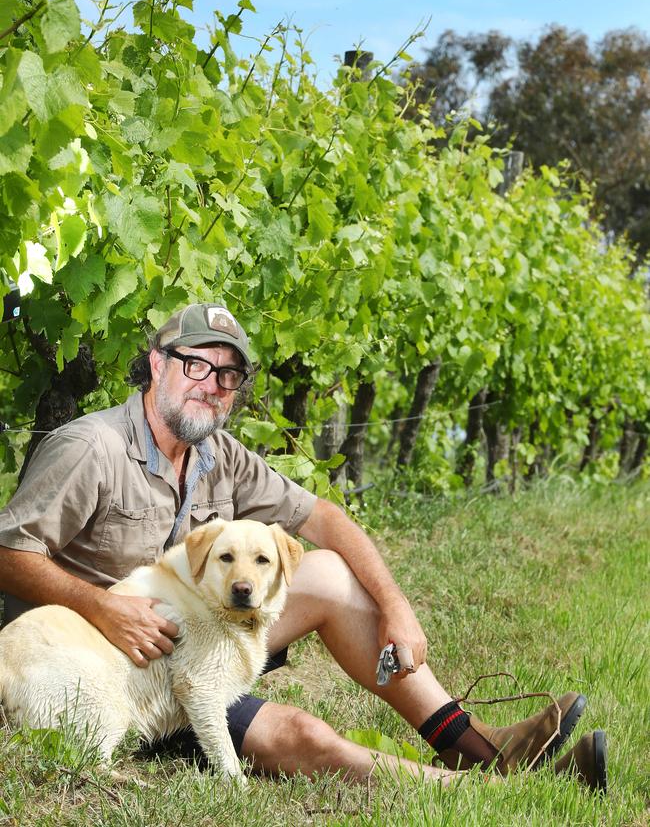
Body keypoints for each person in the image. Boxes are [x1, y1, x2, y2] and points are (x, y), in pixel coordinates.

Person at [0, 303, 606, 789]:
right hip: (109, 675)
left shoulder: (220, 456)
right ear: (157, 365)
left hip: (196, 644)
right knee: (303, 736)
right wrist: (101, 608)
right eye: (195, 365)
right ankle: (492, 792)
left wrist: (397, 605)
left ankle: (474, 743)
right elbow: (7, 554)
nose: (211, 385)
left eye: (228, 375)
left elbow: (325, 520)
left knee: (332, 575)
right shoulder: (92, 447)